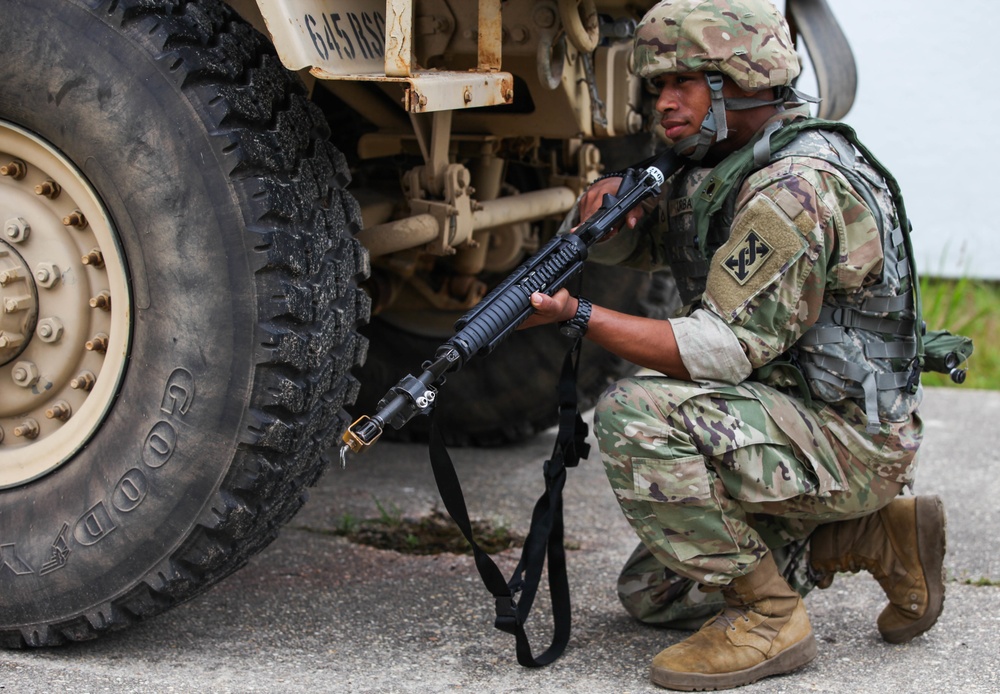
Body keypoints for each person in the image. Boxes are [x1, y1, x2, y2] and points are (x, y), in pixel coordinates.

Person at [521, 0, 946, 689]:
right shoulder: (727, 162)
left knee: (634, 415)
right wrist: (606, 215)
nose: (663, 102)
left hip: (849, 441)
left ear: (741, 80)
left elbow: (721, 347)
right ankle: (868, 536)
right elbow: (663, 246)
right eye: (657, 85)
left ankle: (769, 615)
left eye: (684, 82)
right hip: (794, 415)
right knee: (656, 595)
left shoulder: (792, 187)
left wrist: (581, 316)